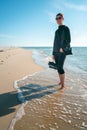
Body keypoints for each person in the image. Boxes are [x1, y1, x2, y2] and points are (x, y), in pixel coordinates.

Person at [52, 13, 71, 89]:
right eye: (56, 18)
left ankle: (63, 85)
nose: (58, 19)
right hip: (56, 51)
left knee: (60, 67)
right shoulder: (56, 31)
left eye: (59, 18)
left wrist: (62, 48)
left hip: (63, 51)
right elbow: (54, 42)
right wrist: (53, 53)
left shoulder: (66, 28)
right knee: (58, 67)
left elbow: (69, 40)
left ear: (63, 18)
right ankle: (60, 81)